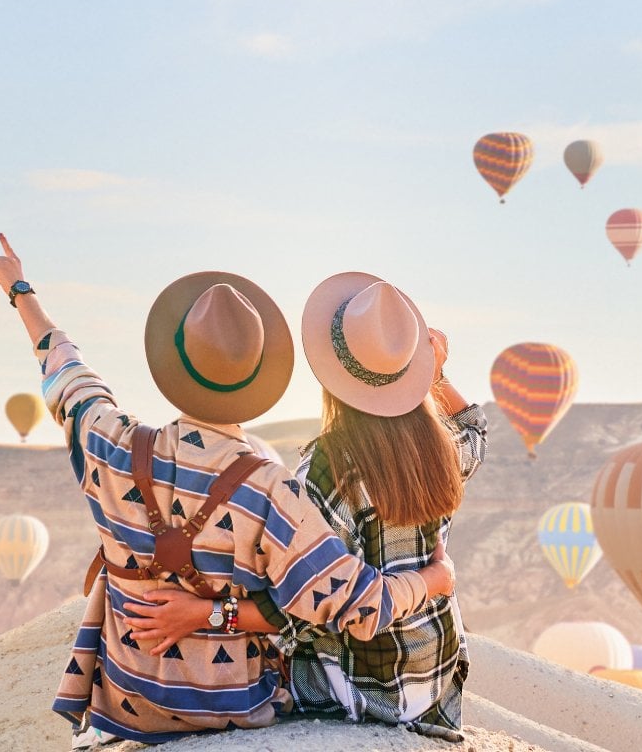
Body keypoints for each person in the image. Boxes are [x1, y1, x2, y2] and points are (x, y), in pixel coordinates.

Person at [0, 237, 456, 745]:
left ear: (174, 361)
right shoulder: (272, 490)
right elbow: (362, 608)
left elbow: (67, 370)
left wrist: (20, 289)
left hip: (129, 700)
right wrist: (436, 579)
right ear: (258, 375)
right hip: (234, 707)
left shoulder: (110, 442)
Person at [128, 273, 487, 741]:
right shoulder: (442, 446)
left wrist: (203, 615)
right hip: (434, 679)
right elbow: (474, 430)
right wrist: (435, 376)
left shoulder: (327, 471)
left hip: (358, 690)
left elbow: (294, 610)